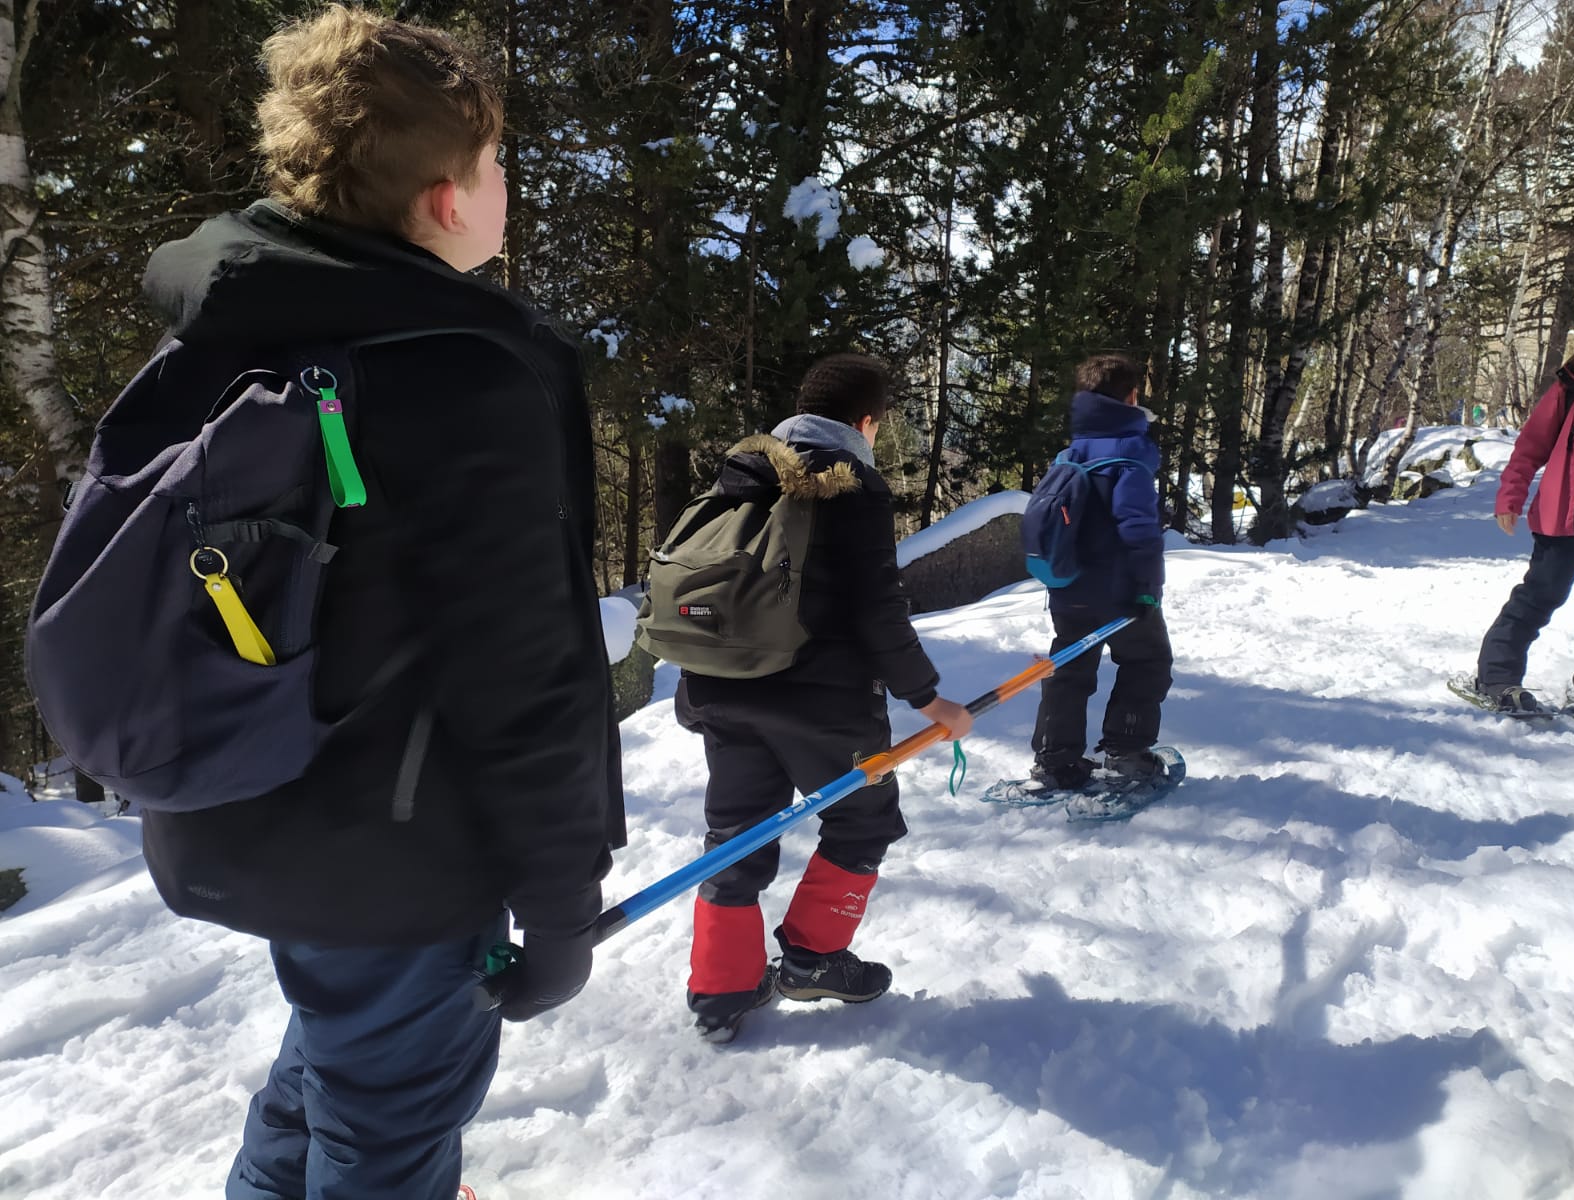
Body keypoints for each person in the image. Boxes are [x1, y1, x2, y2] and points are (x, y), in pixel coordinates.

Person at [132, 8, 623, 1197]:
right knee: (390, 1134)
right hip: (401, 854)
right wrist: (561, 901)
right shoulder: (458, 369)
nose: (507, 185)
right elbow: (522, 665)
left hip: (242, 804)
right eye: (497, 162)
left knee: (328, 1070)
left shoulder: (226, 322)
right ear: (449, 199)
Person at [674, 353, 973, 1042]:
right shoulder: (852, 486)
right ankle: (813, 958)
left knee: (735, 835)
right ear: (865, 422)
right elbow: (879, 610)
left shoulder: (739, 470)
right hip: (820, 700)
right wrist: (931, 702)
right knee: (863, 820)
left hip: (720, 684)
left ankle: (720, 992)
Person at [1027, 354, 1173, 792]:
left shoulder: (1070, 453)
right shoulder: (1129, 458)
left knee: (1069, 668)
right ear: (1131, 398)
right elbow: (1140, 533)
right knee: (1147, 661)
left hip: (1068, 588)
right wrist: (1148, 590)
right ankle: (1126, 754)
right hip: (1118, 594)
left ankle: (1056, 762)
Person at [1471, 316, 1574, 716]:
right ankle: (1496, 676)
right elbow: (1530, 447)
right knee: (1541, 596)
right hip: (1568, 515)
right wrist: (1511, 496)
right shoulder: (1573, 386)